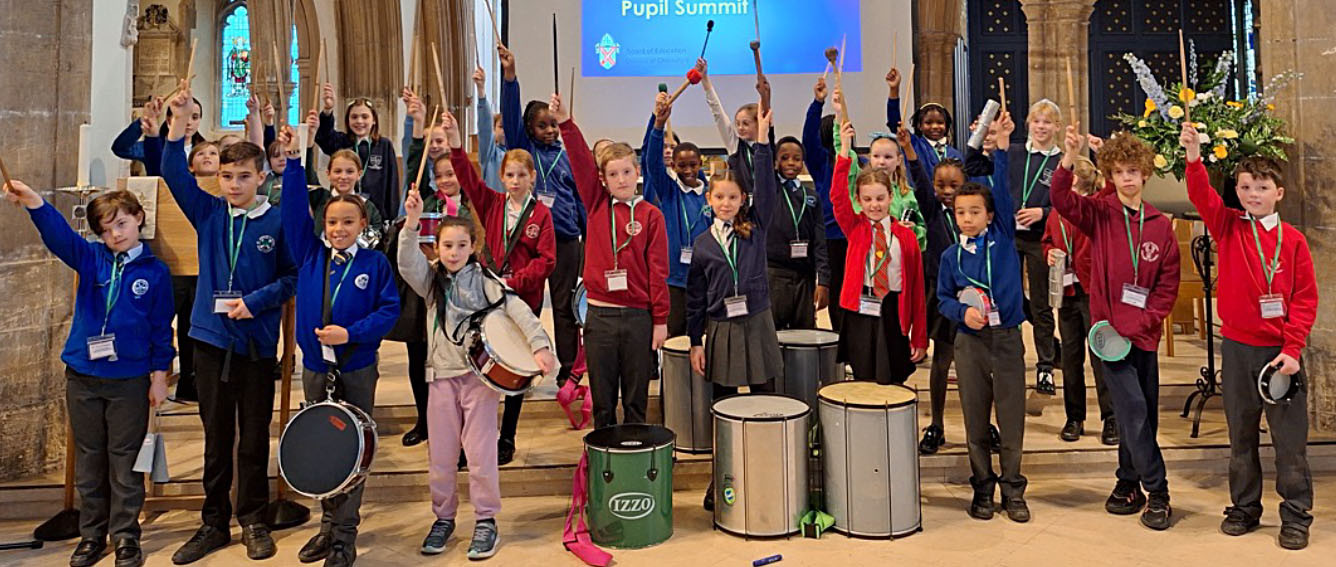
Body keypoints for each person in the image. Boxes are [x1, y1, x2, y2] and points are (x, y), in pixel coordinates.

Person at [160, 81, 298, 564]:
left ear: (261, 176)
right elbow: (171, 169)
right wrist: (178, 121)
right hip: (210, 339)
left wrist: (257, 302)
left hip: (257, 344)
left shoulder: (278, 221)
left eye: (243, 175)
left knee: (254, 435)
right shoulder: (209, 214)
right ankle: (213, 522)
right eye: (226, 176)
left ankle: (254, 519)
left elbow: (292, 276)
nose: (233, 184)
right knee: (216, 438)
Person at [6, 181, 173, 567]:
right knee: (89, 458)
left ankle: (127, 536)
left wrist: (160, 373)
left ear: (138, 220)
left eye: (120, 224)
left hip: (129, 379)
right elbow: (60, 238)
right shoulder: (91, 258)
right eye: (105, 228)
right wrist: (35, 203)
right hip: (83, 374)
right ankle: (92, 534)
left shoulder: (156, 272)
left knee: (125, 460)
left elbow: (162, 326)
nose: (113, 234)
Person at [1180, 122, 1318, 550]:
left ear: (1279, 192)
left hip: (1281, 353)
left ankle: (1295, 516)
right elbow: (1201, 194)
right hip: (1238, 350)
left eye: (1261, 187)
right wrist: (1192, 156)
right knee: (1241, 436)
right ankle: (1244, 507)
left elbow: (1305, 300)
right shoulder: (1228, 227)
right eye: (1245, 187)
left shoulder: (1293, 242)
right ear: (1237, 192)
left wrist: (1293, 349)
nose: (1252, 194)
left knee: (1289, 443)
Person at [399, 195, 556, 561]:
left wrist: (539, 346)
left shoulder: (485, 279)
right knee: (440, 455)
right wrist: (411, 224)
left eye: (461, 246)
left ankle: (486, 519)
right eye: (447, 245)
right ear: (436, 247)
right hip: (439, 378)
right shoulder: (431, 280)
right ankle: (444, 517)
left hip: (477, 381)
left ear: (474, 247)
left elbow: (516, 307)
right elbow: (407, 263)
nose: (454, 252)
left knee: (481, 453)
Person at [276, 125, 400, 567]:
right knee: (322, 449)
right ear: (323, 225)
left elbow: (388, 311)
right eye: (332, 222)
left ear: (362, 224)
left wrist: (351, 334)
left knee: (354, 449)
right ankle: (326, 528)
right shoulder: (312, 256)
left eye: (348, 222)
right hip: (316, 369)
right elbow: (292, 213)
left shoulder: (374, 263)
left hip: (356, 366)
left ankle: (346, 534)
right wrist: (293, 162)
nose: (340, 228)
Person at [1051, 125, 1180, 531]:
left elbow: (1166, 288)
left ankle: (1127, 483)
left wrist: (1141, 322)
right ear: (1111, 176)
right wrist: (1069, 157)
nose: (1127, 178)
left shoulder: (1161, 225)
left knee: (1141, 416)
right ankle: (1158, 492)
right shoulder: (1100, 215)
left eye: (1133, 171)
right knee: (1134, 412)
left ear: (1145, 174)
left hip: (1143, 335)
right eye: (1119, 171)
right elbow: (1059, 199)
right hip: (1110, 340)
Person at [443, 109, 556, 466]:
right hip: (487, 299)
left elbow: (546, 261)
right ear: (502, 176)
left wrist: (515, 281)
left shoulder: (541, 215)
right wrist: (457, 144)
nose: (515, 180)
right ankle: (474, 437)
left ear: (532, 177)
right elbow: (466, 177)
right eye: (509, 174)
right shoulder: (491, 203)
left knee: (518, 368)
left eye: (522, 175)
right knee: (480, 369)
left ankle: (507, 436)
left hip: (523, 299)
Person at [936, 110, 1031, 522]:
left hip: (1006, 338)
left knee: (1010, 420)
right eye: (961, 213)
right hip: (969, 342)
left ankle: (1013, 488)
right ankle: (983, 488)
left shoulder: (1004, 237)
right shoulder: (950, 256)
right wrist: (962, 312)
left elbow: (1005, 193)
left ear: (989, 216)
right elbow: (942, 299)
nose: (968, 218)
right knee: (975, 420)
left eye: (975, 212)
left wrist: (1004, 148)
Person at [558, 93, 670, 429]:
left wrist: (660, 319)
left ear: (637, 172)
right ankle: (603, 470)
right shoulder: (595, 205)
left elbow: (658, 271)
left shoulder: (651, 216)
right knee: (603, 402)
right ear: (602, 179)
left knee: (636, 400)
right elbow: (578, 159)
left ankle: (634, 466)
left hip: (638, 316)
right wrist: (565, 122)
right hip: (600, 315)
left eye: (626, 171)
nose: (621, 179)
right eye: (613, 174)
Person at [499, 45, 585, 388]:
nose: (550, 130)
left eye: (553, 125)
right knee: (525, 307)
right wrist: (510, 78)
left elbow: (581, 203)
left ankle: (568, 370)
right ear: (529, 130)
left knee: (564, 308)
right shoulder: (525, 151)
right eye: (542, 125)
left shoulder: (567, 158)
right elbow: (508, 114)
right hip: (529, 243)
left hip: (565, 242)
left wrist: (588, 242)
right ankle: (521, 365)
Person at [828, 112, 928, 385]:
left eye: (880, 199)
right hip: (860, 308)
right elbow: (837, 197)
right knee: (863, 379)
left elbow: (917, 290)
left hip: (894, 308)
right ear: (859, 199)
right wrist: (845, 151)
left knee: (893, 377)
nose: (874, 205)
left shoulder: (906, 237)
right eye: (868, 199)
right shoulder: (855, 227)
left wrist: (919, 336)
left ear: (891, 197)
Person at [1041, 156, 1116, 444]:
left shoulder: (1096, 206)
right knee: (1071, 358)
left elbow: (1111, 190)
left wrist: (1104, 151)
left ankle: (1111, 417)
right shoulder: (1056, 213)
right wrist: (1048, 251)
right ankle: (1075, 416)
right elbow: (1047, 240)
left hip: (1093, 290)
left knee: (1101, 356)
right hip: (1067, 292)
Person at [642, 93, 711, 336]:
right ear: (673, 166)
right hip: (674, 279)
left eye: (693, 165)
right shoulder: (669, 192)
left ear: (701, 164)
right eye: (682, 166)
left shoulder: (710, 195)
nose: (689, 170)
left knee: (701, 335)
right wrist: (658, 125)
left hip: (704, 277)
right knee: (675, 335)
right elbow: (651, 162)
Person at [1009, 99, 1064, 396]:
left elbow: (1068, 204)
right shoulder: (1016, 153)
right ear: (1029, 124)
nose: (1041, 127)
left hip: (1041, 238)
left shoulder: (1060, 161)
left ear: (1057, 127)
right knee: (1012, 301)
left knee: (1041, 304)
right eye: (1036, 121)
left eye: (1047, 122)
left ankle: (1045, 364)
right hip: (1011, 236)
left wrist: (1042, 213)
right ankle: (1013, 360)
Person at [766, 135, 830, 330]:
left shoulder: (810, 197)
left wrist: (824, 280)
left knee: (804, 333)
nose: (791, 163)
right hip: (774, 274)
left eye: (797, 158)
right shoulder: (768, 190)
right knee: (773, 333)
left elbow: (820, 240)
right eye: (784, 158)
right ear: (775, 161)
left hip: (805, 275)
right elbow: (765, 148)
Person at [803, 75, 851, 332]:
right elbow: (808, 139)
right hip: (831, 237)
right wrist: (817, 103)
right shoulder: (822, 164)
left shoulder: (857, 162)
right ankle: (839, 343)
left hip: (856, 236)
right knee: (835, 294)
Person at [314, 83, 401, 220]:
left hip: (375, 215)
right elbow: (323, 136)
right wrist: (328, 110)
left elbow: (392, 183)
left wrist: (390, 217)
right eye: (354, 117)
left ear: (374, 121)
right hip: (342, 213)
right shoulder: (341, 142)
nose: (359, 121)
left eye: (365, 117)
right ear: (348, 121)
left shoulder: (384, 145)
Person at [697, 58, 774, 194]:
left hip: (769, 205)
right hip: (742, 207)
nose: (740, 128)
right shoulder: (735, 146)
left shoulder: (767, 144)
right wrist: (705, 79)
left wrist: (766, 95)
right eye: (737, 124)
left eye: (745, 123)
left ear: (759, 123)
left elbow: (767, 114)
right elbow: (718, 114)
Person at [475, 66, 507, 190]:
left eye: (509, 128)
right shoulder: (490, 154)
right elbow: (484, 129)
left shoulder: (520, 153)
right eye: (501, 127)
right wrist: (481, 92)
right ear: (494, 129)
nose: (505, 132)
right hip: (494, 207)